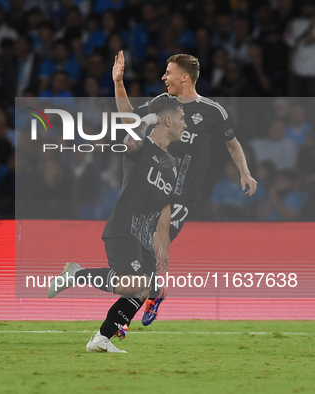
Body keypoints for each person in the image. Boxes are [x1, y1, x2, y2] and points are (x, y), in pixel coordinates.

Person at [112, 51, 258, 325]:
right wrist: (118, 83)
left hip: (181, 196)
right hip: (152, 189)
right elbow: (130, 121)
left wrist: (245, 173)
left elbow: (232, 143)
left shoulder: (212, 110)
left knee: (155, 247)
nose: (163, 77)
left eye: (168, 72)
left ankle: (132, 309)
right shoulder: (161, 104)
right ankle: (150, 294)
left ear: (185, 76)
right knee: (142, 249)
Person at [49, 97, 186, 353]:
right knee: (135, 284)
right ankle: (77, 274)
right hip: (125, 228)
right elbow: (129, 142)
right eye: (182, 118)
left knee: (145, 290)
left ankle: (101, 338)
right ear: (168, 120)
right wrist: (145, 120)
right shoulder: (142, 147)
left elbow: (165, 206)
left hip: (146, 238)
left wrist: (163, 244)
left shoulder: (172, 164)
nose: (185, 124)